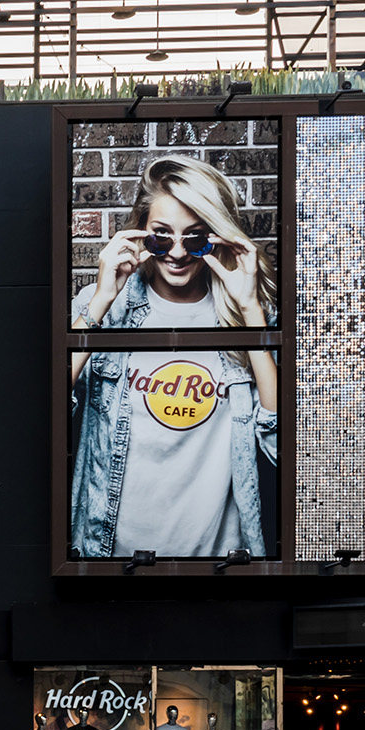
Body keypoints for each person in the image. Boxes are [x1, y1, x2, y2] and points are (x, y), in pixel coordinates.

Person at [68, 155, 280, 560]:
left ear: (217, 237)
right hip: (113, 556)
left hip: (220, 562)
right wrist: (100, 301)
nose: (178, 253)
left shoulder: (245, 315)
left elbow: (279, 441)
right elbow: (46, 414)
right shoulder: (104, 310)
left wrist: (251, 312)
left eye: (196, 238)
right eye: (161, 237)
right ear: (140, 234)